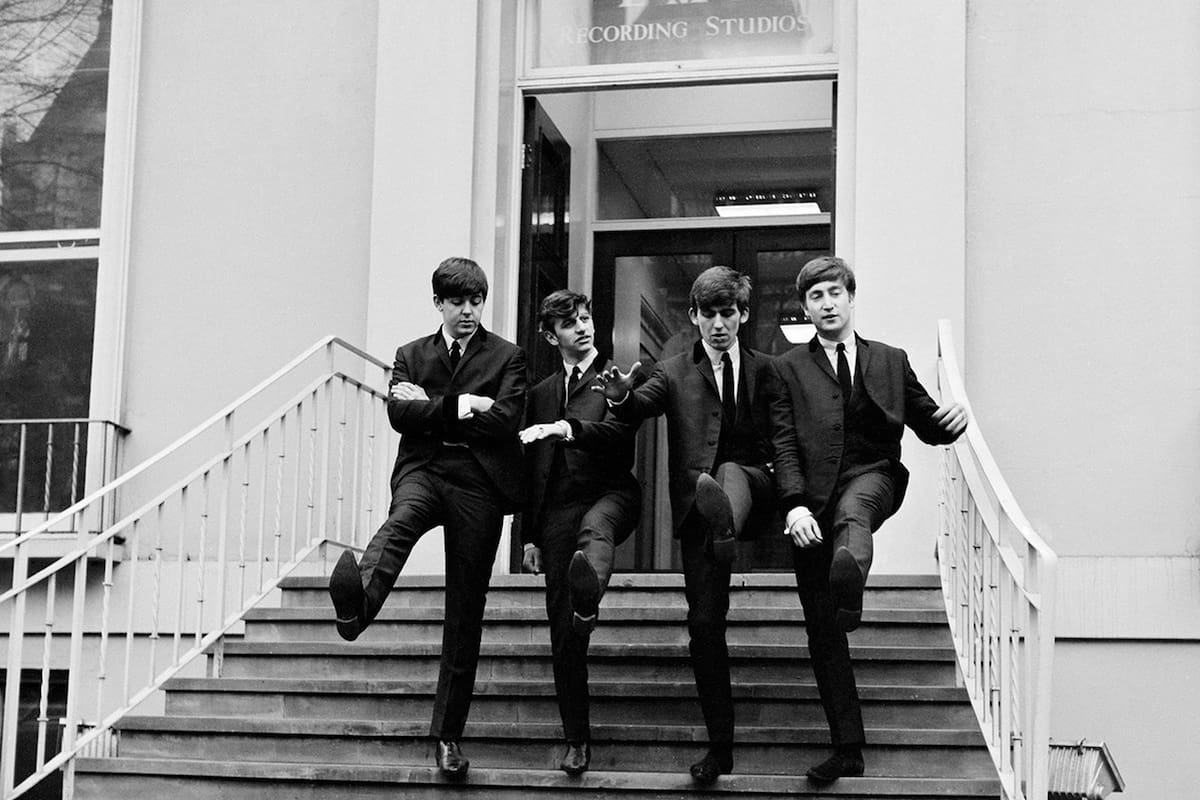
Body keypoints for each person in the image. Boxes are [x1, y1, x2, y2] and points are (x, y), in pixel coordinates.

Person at [769, 256, 968, 784]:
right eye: (816, 297)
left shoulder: (890, 360)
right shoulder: (787, 368)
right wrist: (793, 505)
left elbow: (928, 423)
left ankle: (850, 578)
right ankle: (847, 749)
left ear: (851, 298)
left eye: (835, 293)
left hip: (874, 476)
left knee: (854, 514)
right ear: (806, 307)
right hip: (811, 503)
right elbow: (783, 443)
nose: (827, 304)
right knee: (822, 632)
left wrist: (952, 422)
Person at [327, 257, 526, 779]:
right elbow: (399, 415)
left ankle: (448, 737)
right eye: (457, 302)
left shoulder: (508, 356)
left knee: (465, 610)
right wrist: (466, 405)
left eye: (476, 301)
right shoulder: (409, 354)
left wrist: (433, 407)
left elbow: (505, 421)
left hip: (480, 483)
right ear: (438, 303)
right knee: (399, 525)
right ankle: (357, 606)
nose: (468, 311)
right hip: (424, 471)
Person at [593, 266, 776, 785]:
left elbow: (786, 431)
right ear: (693, 316)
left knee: (732, 472)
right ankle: (721, 748)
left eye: (728, 313)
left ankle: (727, 520)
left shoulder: (768, 370)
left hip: (757, 491)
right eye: (708, 314)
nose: (718, 324)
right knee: (704, 626)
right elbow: (638, 406)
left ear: (743, 315)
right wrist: (621, 395)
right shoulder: (671, 370)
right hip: (700, 517)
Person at [517, 290, 642, 776]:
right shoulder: (541, 393)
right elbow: (533, 470)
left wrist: (566, 428)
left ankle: (589, 593)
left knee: (594, 537)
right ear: (552, 337)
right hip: (557, 514)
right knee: (564, 632)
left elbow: (619, 439)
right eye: (570, 323)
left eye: (586, 318)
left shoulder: (617, 378)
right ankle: (577, 739)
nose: (583, 328)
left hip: (610, 494)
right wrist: (530, 537)